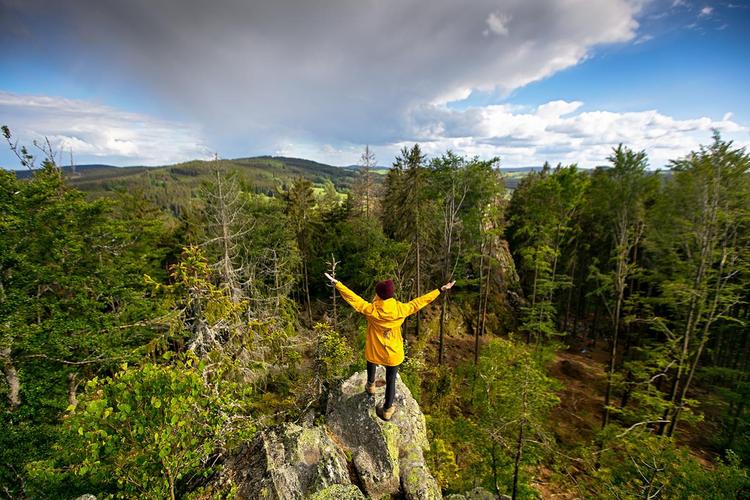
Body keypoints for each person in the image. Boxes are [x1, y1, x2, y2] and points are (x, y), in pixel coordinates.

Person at [324, 272, 455, 421]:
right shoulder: (401, 309)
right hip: (394, 353)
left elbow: (354, 299)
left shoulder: (371, 309)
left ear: (378, 295)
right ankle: (387, 410)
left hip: (375, 350)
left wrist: (338, 284)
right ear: (392, 295)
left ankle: (371, 384)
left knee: (371, 359)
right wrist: (440, 290)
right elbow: (420, 302)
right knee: (391, 380)